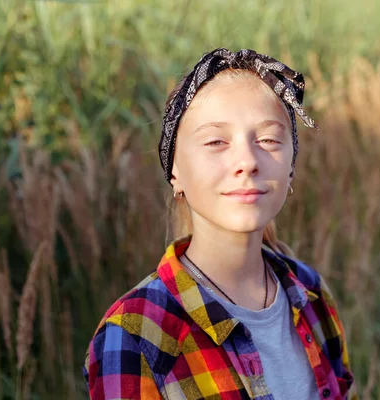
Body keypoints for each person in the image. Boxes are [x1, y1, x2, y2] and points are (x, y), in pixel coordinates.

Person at [83, 48, 355, 400]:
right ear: (175, 171)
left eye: (269, 140)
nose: (246, 161)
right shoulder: (136, 336)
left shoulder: (311, 294)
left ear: (290, 164)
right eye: (215, 142)